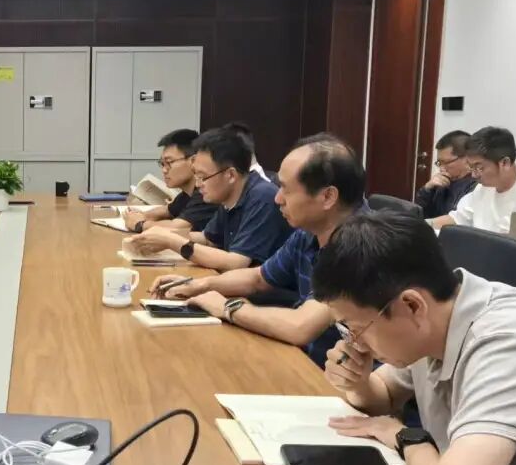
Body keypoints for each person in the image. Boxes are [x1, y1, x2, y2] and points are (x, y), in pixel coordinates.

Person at [312, 211, 516, 465]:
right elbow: (384, 394)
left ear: (411, 305)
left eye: (356, 327)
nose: (355, 342)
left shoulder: (509, 342)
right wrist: (358, 383)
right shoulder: (438, 318)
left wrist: (408, 436)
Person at [149, 134, 367, 367]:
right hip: (304, 360)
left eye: (286, 189)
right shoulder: (309, 232)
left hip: (331, 376)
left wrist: (226, 307)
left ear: (327, 196)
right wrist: (198, 285)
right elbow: (258, 278)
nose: (277, 198)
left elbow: (300, 327)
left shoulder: (359, 247)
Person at [129, 127, 290, 271]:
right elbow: (207, 239)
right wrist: (160, 236)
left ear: (230, 175)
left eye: (203, 177)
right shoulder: (228, 196)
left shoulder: (262, 197)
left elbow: (236, 262)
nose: (198, 184)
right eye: (196, 175)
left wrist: (172, 241)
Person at [430, 127, 516, 234]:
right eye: (471, 167)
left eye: (479, 168)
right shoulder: (483, 187)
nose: (474, 175)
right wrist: (423, 225)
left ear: (505, 163)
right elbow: (456, 219)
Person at [122, 129, 217, 235]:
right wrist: (140, 215)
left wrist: (140, 224)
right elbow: (166, 211)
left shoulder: (205, 193)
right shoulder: (187, 194)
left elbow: (179, 227)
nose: (164, 170)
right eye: (162, 164)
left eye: (169, 162)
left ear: (193, 161)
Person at [415, 130, 476, 219]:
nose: (441, 168)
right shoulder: (443, 181)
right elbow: (418, 214)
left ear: (467, 158)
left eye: (446, 162)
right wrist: (427, 190)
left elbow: (456, 219)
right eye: (439, 163)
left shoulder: (477, 185)